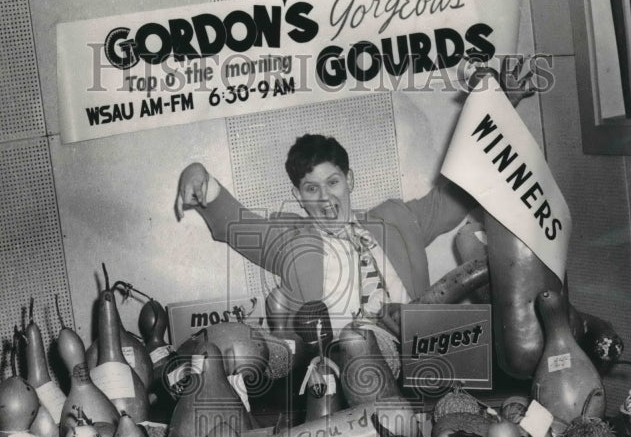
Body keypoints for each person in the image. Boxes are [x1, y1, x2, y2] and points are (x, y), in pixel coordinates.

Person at [174, 134, 479, 339]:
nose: (324, 198)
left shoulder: (396, 218)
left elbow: (453, 198)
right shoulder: (291, 240)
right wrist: (196, 173)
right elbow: (235, 225)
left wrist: (494, 107)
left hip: (423, 355)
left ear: (350, 180)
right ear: (298, 196)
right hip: (343, 378)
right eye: (311, 188)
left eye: (332, 182)